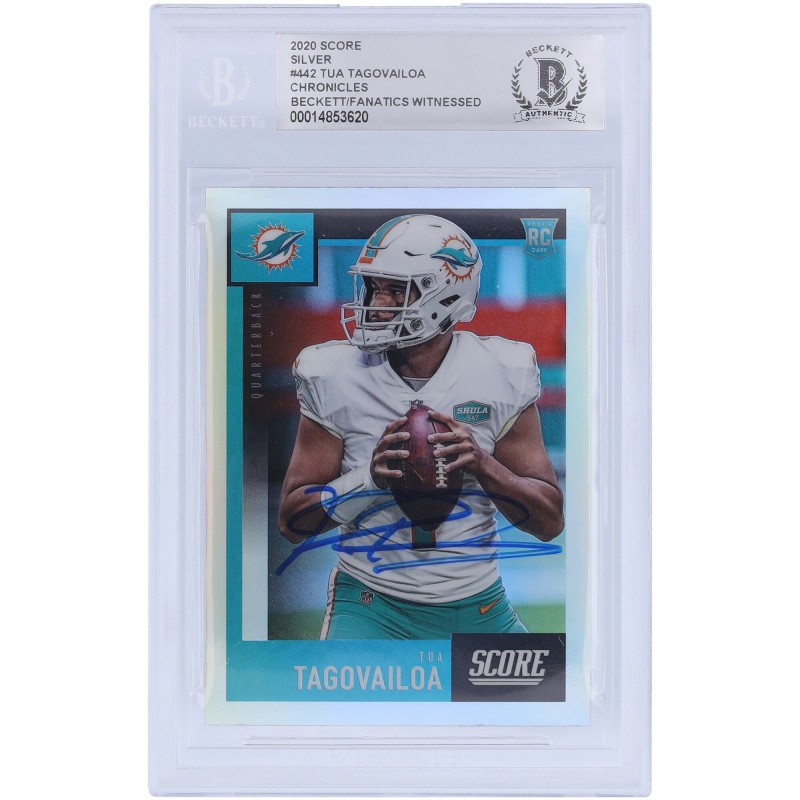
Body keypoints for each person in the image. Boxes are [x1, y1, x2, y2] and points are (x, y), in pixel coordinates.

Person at [278, 214, 564, 640]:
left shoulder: (500, 372)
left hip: (479, 605)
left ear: (446, 295)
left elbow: (548, 522)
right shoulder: (335, 375)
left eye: (396, 290)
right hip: (370, 607)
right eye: (373, 287)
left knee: (550, 684)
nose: (377, 303)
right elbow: (291, 522)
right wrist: (367, 480)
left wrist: (482, 464)